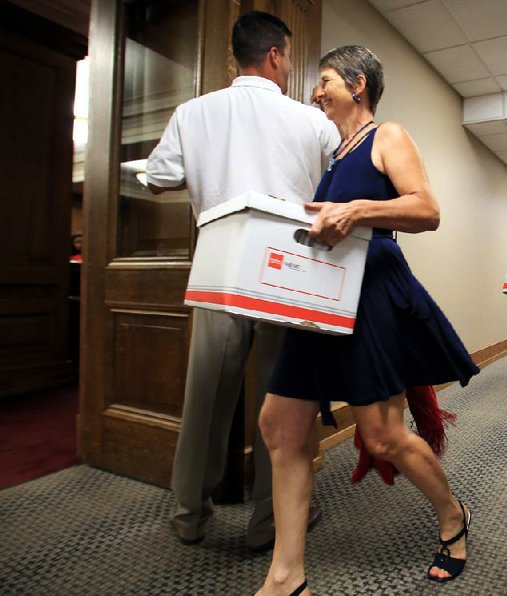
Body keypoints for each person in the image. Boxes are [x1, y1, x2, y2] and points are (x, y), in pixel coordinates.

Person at [255, 45, 479, 595]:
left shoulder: (388, 135)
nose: (314, 91)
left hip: (372, 297)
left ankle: (453, 516)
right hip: (320, 305)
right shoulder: (334, 156)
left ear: (358, 84)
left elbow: (426, 209)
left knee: (381, 437)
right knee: (280, 427)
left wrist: (356, 211)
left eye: (324, 80)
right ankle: (286, 576)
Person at [145, 11, 339, 549]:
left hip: (221, 263)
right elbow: (337, 180)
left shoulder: (193, 113)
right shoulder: (313, 122)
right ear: (276, 55)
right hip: (286, 268)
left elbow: (158, 179)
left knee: (206, 395)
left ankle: (188, 517)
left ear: (237, 55)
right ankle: (268, 524)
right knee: (282, 399)